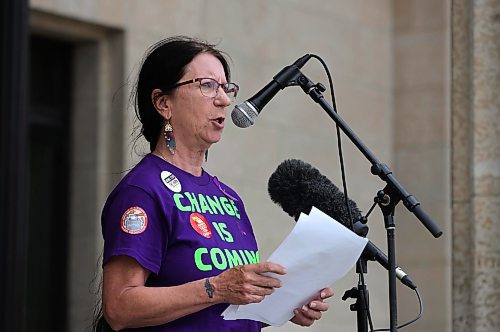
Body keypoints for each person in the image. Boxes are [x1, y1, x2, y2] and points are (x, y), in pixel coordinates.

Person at [97, 36, 333, 331]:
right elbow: (119, 306)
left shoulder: (228, 197)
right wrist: (217, 288)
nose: (224, 99)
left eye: (226, 87)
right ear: (163, 103)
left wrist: (284, 302)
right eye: (207, 85)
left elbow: (224, 310)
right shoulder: (143, 191)